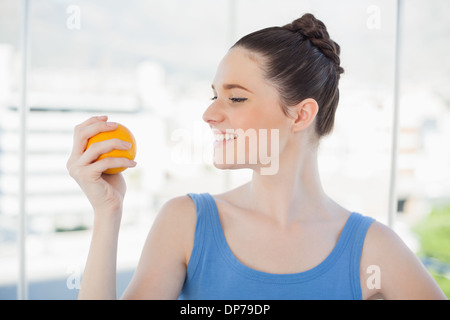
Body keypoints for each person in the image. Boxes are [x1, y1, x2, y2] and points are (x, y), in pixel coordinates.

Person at [66, 13, 446, 300]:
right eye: (213, 95)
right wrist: (108, 212)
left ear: (301, 115)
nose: (210, 114)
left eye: (236, 98)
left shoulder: (374, 250)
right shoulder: (186, 224)